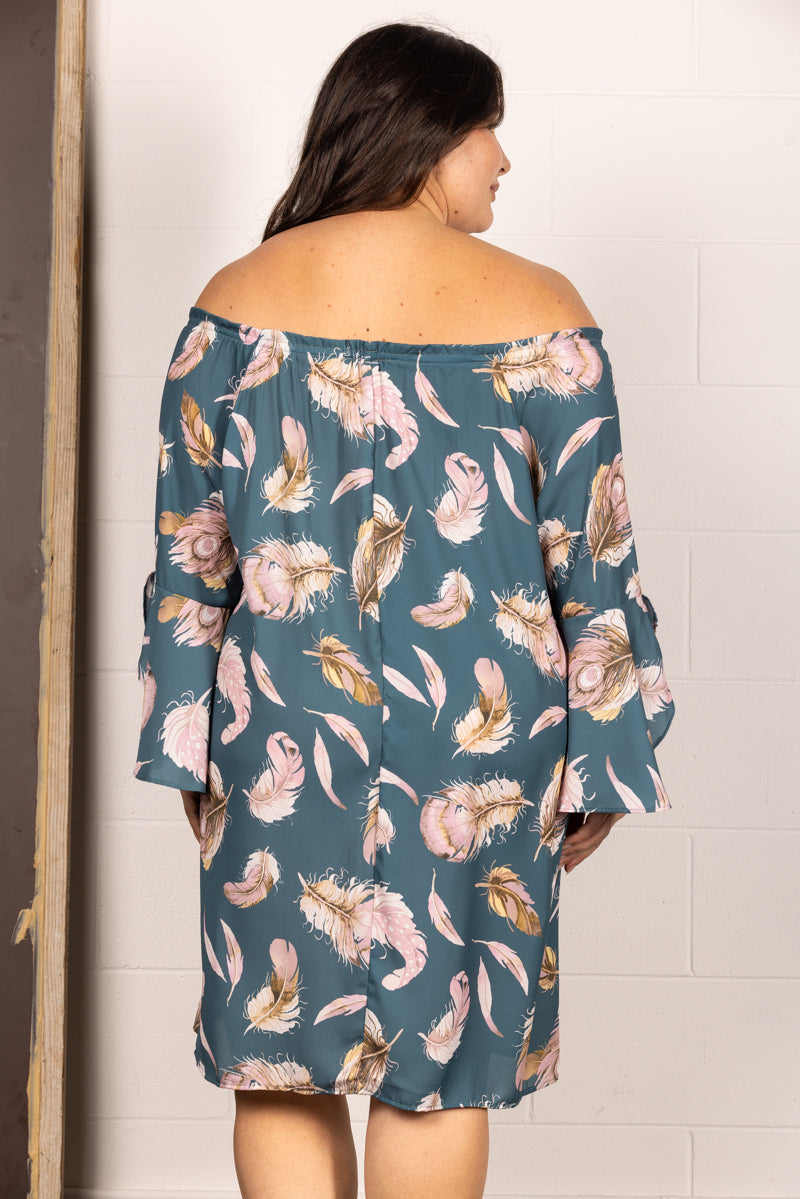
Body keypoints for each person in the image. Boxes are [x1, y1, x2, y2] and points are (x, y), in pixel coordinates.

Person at [134, 20, 675, 1199]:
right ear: (429, 133)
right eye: (488, 129)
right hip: (478, 754)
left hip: (275, 718)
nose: (502, 160)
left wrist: (191, 746)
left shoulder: (232, 304)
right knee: (440, 1062)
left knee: (279, 1056)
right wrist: (604, 755)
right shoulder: (542, 310)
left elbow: (191, 562)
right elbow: (591, 566)